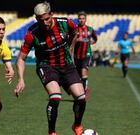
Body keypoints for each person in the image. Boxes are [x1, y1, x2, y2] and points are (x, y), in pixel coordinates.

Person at [14, 2, 86, 135]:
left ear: (52, 15)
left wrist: (71, 47)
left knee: (81, 98)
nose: (45, 23)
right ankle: (52, 132)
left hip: (67, 65)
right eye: (41, 20)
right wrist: (21, 79)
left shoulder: (65, 23)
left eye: (47, 19)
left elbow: (75, 32)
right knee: (55, 97)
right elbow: (20, 58)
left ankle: (76, 125)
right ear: (36, 19)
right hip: (46, 66)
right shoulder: (32, 33)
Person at [72, 11, 97, 98]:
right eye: (80, 18)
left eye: (83, 19)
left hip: (86, 54)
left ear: (85, 20)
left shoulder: (90, 29)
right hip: (76, 56)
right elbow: (70, 41)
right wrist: (75, 41)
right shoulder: (74, 29)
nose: (81, 20)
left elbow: (95, 39)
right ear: (78, 19)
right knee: (78, 76)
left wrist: (90, 42)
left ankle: (84, 91)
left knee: (83, 73)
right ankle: (81, 91)